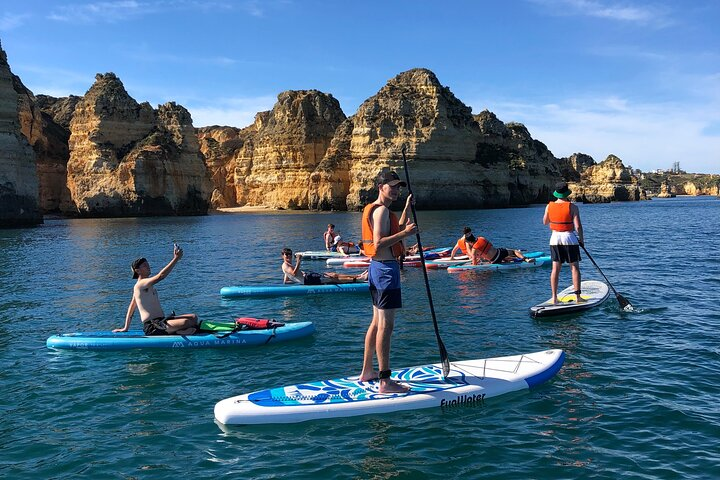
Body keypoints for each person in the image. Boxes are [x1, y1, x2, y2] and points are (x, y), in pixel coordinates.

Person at [359, 170, 417, 393]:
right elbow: (380, 242)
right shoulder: (381, 210)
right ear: (380, 187)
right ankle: (385, 381)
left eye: (398, 187)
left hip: (377, 269)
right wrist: (406, 235)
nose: (395, 190)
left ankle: (367, 372)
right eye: (391, 186)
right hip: (385, 271)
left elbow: (396, 227)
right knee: (386, 325)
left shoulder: (378, 210)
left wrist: (407, 207)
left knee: (376, 323)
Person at [113, 244, 199, 335]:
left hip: (161, 321)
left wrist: (126, 327)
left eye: (148, 264)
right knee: (185, 322)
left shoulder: (143, 286)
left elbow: (131, 307)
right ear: (137, 271)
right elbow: (161, 276)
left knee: (193, 317)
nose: (148, 267)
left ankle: (177, 330)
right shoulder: (140, 284)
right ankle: (178, 332)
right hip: (153, 326)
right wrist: (176, 259)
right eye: (145, 265)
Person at [543, 181, 584, 304]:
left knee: (555, 268)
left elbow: (545, 222)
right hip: (569, 238)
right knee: (574, 267)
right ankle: (578, 298)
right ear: (567, 193)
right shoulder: (573, 207)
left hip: (555, 238)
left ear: (556, 193)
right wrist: (581, 240)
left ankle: (554, 298)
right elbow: (578, 226)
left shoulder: (549, 206)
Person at [281, 248, 367, 284]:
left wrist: (297, 281)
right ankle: (358, 280)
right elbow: (294, 273)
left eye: (290, 254)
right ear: (283, 256)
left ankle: (358, 275)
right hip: (309, 280)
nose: (288, 256)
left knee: (333, 274)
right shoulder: (285, 265)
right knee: (332, 279)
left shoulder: (286, 266)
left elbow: (286, 280)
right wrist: (298, 261)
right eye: (286, 255)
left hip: (309, 276)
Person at [466, 233, 532, 265]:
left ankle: (515, 259)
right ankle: (525, 259)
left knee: (509, 254)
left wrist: (473, 266)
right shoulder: (482, 238)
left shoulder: (474, 249)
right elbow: (490, 246)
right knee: (514, 251)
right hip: (498, 253)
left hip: (493, 260)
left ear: (469, 242)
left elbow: (474, 262)